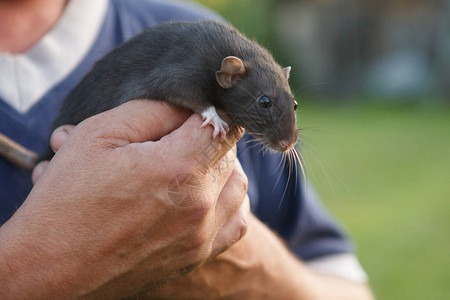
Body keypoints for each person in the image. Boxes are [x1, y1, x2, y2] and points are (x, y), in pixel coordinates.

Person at [0, 0, 374, 299]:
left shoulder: (193, 22)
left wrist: (240, 261)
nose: (286, 137)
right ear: (228, 75)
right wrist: (26, 272)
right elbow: (175, 82)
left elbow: (347, 286)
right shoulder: (191, 59)